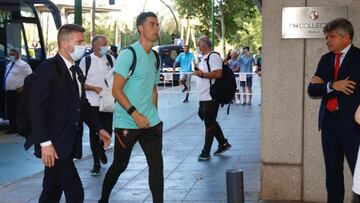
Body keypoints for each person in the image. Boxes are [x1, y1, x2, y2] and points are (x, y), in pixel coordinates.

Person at [29, 24, 111, 203]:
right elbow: (36, 108)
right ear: (66, 44)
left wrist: (99, 128)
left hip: (67, 141)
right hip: (54, 144)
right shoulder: (48, 68)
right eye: (80, 42)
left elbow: (83, 104)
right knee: (75, 193)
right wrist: (45, 143)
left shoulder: (76, 70)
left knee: (51, 191)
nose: (84, 45)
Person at [99, 12, 163, 203]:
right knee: (120, 165)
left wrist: (155, 116)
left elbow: (152, 89)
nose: (156, 28)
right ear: (140, 28)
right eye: (152, 24)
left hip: (150, 123)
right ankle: (103, 199)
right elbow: (116, 90)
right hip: (127, 121)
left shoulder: (155, 57)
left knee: (156, 166)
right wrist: (134, 113)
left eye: (157, 25)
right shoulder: (129, 54)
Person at [308, 18, 360, 203]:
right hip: (329, 124)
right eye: (326, 37)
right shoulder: (326, 59)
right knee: (332, 174)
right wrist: (332, 85)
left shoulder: (358, 58)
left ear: (346, 37)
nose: (328, 41)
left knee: (359, 175)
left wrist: (324, 86)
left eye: (332, 36)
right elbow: (312, 89)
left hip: (354, 127)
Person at [79, 35, 115, 176]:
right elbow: (79, 83)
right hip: (91, 103)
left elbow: (117, 78)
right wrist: (94, 88)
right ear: (95, 46)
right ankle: (96, 163)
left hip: (107, 102)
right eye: (103, 44)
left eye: (107, 43)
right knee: (95, 133)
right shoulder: (86, 61)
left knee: (108, 131)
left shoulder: (111, 59)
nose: (106, 46)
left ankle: (100, 150)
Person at [193, 36, 231, 161]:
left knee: (209, 123)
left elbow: (218, 73)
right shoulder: (204, 58)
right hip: (204, 96)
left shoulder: (213, 56)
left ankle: (205, 152)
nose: (198, 47)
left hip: (211, 96)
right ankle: (223, 143)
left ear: (204, 45)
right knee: (210, 121)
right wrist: (199, 72)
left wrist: (202, 74)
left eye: (199, 44)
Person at [3, 48, 32, 134]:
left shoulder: (23, 65)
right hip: (9, 92)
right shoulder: (9, 65)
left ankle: (22, 129)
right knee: (10, 111)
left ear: (17, 55)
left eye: (12, 54)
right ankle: (13, 128)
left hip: (18, 92)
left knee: (19, 111)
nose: (10, 56)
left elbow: (31, 77)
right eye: (10, 54)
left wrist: (23, 87)